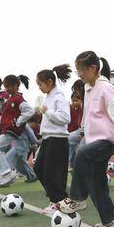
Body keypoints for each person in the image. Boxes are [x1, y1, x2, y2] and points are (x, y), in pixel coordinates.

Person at [63, 52, 114, 227]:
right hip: (94, 140)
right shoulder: (89, 88)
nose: (79, 74)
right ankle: (112, 220)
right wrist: (84, 131)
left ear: (93, 68)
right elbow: (90, 115)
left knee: (82, 153)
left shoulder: (106, 88)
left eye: (81, 70)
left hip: (109, 140)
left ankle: (77, 198)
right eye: (78, 70)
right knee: (96, 183)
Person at [33, 65, 73, 214]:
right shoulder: (48, 96)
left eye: (40, 84)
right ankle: (56, 198)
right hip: (48, 138)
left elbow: (65, 118)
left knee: (53, 172)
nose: (39, 87)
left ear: (49, 82)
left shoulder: (59, 97)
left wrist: (48, 112)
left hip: (57, 139)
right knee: (39, 168)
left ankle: (59, 201)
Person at [0, 74, 34, 187]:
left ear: (16, 86)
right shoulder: (11, 98)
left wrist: (18, 122)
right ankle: (30, 175)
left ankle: (5, 174)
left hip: (11, 130)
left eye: (9, 86)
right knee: (18, 161)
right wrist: (2, 105)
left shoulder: (18, 98)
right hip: (9, 129)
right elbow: (7, 114)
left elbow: (30, 111)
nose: (7, 89)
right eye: (5, 87)